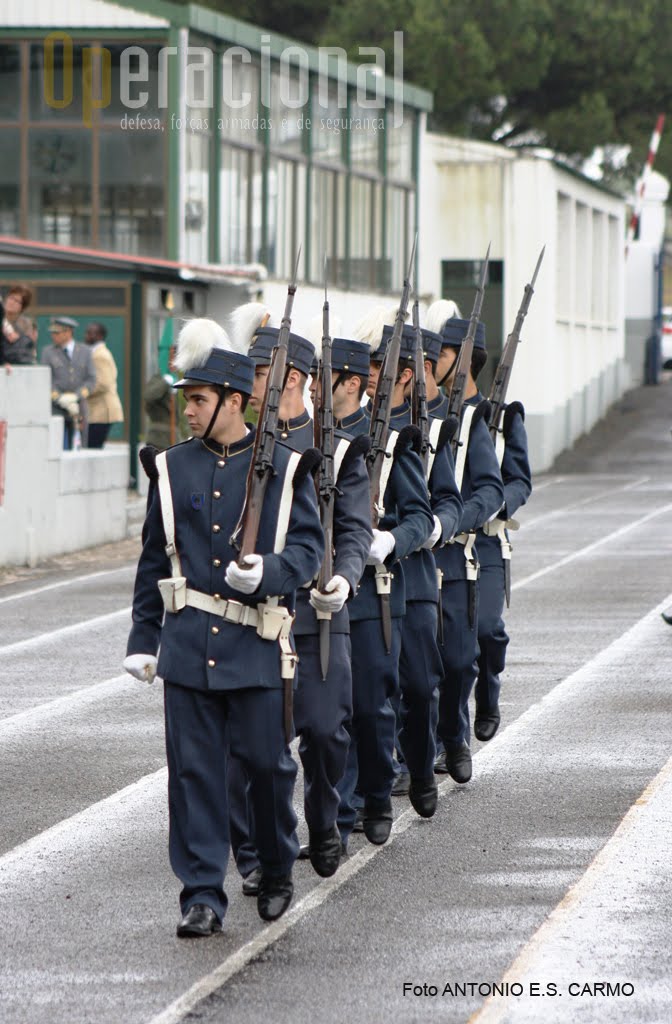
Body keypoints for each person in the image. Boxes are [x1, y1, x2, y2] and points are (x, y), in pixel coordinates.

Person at [124, 317, 324, 936]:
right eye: (186, 399)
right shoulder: (171, 468)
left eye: (199, 399)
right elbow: (154, 560)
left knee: (267, 767)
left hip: (256, 643)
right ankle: (202, 894)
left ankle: (275, 865)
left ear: (234, 402)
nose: (188, 410)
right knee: (194, 776)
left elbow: (309, 552)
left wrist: (268, 572)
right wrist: (143, 638)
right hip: (188, 645)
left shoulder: (286, 468)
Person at [226, 304, 372, 893]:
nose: (249, 385)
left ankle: (326, 817)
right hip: (254, 614)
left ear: (292, 378)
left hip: (318, 611)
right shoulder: (238, 447)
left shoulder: (337, 447)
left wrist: (347, 577)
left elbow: (355, 528)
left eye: (259, 374)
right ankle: (258, 851)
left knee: (326, 729)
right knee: (252, 747)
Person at [333, 312, 434, 849]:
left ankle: (377, 794)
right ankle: (339, 810)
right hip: (325, 591)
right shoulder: (311, 441)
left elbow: (420, 515)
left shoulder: (394, 442)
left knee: (374, 705)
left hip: (378, 590)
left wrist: (391, 539)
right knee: (331, 712)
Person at [424, 302, 505, 784]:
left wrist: (455, 520)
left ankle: (455, 733)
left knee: (461, 657)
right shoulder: (399, 421)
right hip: (411, 554)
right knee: (413, 667)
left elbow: (496, 489)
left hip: (462, 551)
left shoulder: (478, 421)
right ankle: (415, 753)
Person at [475, 378, 532, 741]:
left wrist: (496, 503)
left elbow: (520, 480)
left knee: (486, 628)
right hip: (439, 541)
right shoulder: (430, 415)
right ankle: (443, 738)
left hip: (486, 540)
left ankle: (487, 693)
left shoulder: (503, 417)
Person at [41, 316, 96, 449]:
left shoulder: (85, 351)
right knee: (56, 444)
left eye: (57, 333)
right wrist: (59, 397)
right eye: (53, 333)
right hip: (56, 406)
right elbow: (45, 379)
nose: (53, 336)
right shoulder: (48, 352)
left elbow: (91, 379)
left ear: (68, 332)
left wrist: (76, 396)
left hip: (78, 406)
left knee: (79, 444)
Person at [84, 322, 124, 448]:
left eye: (91, 333)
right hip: (97, 410)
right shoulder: (95, 353)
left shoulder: (100, 355)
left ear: (100, 336)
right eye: (87, 333)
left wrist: (82, 392)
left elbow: (103, 383)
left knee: (93, 448)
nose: (87, 336)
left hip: (102, 411)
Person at [1, 285, 34, 371]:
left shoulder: (23, 328)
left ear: (22, 307)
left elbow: (22, 356)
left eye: (17, 301)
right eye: (11, 298)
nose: (12, 302)